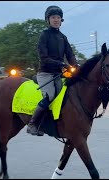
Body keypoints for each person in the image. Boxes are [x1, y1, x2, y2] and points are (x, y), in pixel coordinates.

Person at [27, 5, 80, 136]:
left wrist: (77, 66)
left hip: (58, 74)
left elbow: (70, 54)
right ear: (48, 20)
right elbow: (44, 58)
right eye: (53, 17)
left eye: (58, 17)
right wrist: (62, 64)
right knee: (50, 96)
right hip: (45, 73)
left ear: (61, 20)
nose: (56, 19)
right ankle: (32, 124)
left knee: (68, 94)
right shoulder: (44, 35)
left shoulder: (63, 37)